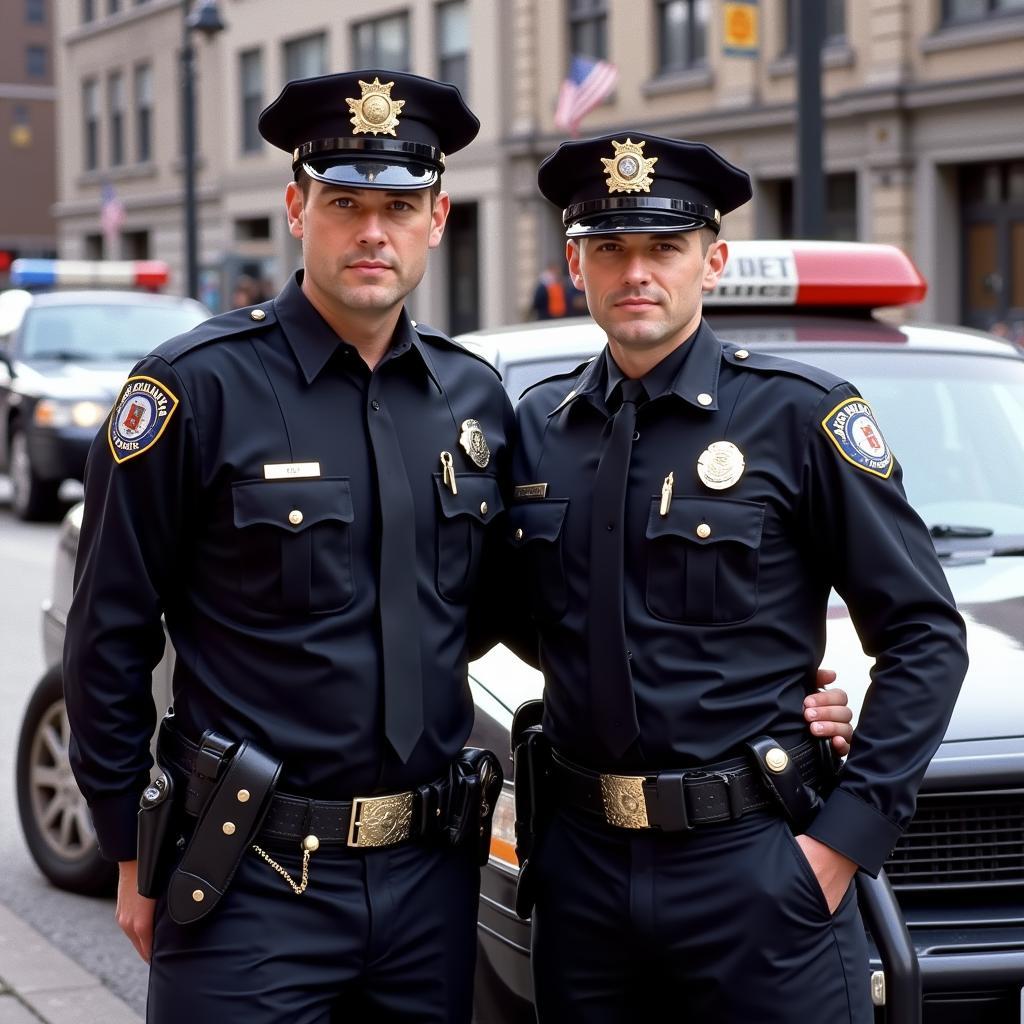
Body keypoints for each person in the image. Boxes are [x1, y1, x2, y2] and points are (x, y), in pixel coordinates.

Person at [62, 70, 513, 1023]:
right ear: (295, 206)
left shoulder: (475, 401)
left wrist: (775, 681)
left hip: (429, 878)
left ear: (437, 219)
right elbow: (108, 631)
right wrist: (128, 843)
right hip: (250, 881)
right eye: (345, 203)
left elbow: (523, 605)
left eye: (399, 206)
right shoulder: (194, 389)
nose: (371, 232)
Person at [508, 132, 969, 1021]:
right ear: (575, 262)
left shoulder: (801, 415)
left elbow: (924, 634)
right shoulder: (537, 427)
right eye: (610, 248)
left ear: (711, 260)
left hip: (757, 870)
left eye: (663, 247)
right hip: (586, 882)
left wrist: (841, 844)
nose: (635, 271)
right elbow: (523, 613)